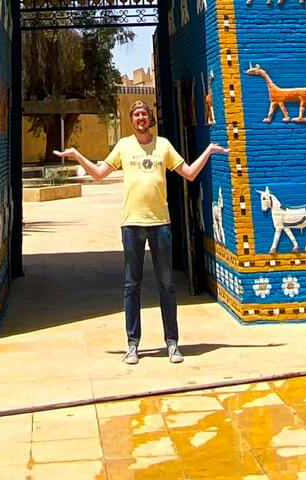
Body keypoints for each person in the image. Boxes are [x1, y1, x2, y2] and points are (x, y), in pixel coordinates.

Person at [56, 101, 226, 364]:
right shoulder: (123, 146)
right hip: (132, 223)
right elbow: (100, 174)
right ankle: (132, 344)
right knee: (131, 285)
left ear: (150, 118)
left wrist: (209, 151)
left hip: (160, 224)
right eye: (136, 114)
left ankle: (172, 343)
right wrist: (78, 155)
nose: (140, 118)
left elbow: (189, 174)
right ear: (131, 120)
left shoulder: (164, 145)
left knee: (167, 285)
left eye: (144, 114)